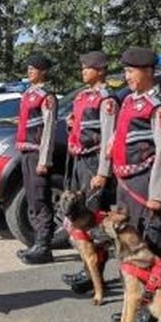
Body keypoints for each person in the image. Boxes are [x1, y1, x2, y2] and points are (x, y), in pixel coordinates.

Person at [93, 47, 161, 258]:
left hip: (143, 180)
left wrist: (157, 195)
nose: (126, 77)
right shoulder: (130, 100)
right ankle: (130, 275)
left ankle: (156, 277)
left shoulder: (159, 107)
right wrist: (111, 146)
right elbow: (121, 131)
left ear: (148, 71)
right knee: (126, 236)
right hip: (124, 180)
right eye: (126, 72)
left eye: (131, 72)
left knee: (147, 237)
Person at [61, 51, 116, 291]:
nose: (83, 71)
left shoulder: (106, 99)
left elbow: (108, 138)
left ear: (100, 70)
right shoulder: (84, 96)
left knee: (93, 219)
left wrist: (103, 172)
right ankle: (87, 268)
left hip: (94, 162)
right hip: (79, 160)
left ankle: (95, 275)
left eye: (88, 68)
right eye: (82, 67)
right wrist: (72, 125)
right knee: (79, 216)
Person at [13, 53, 58, 265]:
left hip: (37, 153)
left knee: (40, 197)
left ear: (43, 71)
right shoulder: (28, 94)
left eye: (34, 69)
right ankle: (37, 244)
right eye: (29, 68)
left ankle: (44, 246)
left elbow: (48, 129)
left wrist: (44, 160)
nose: (29, 72)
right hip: (26, 152)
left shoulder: (46, 96)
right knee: (31, 197)